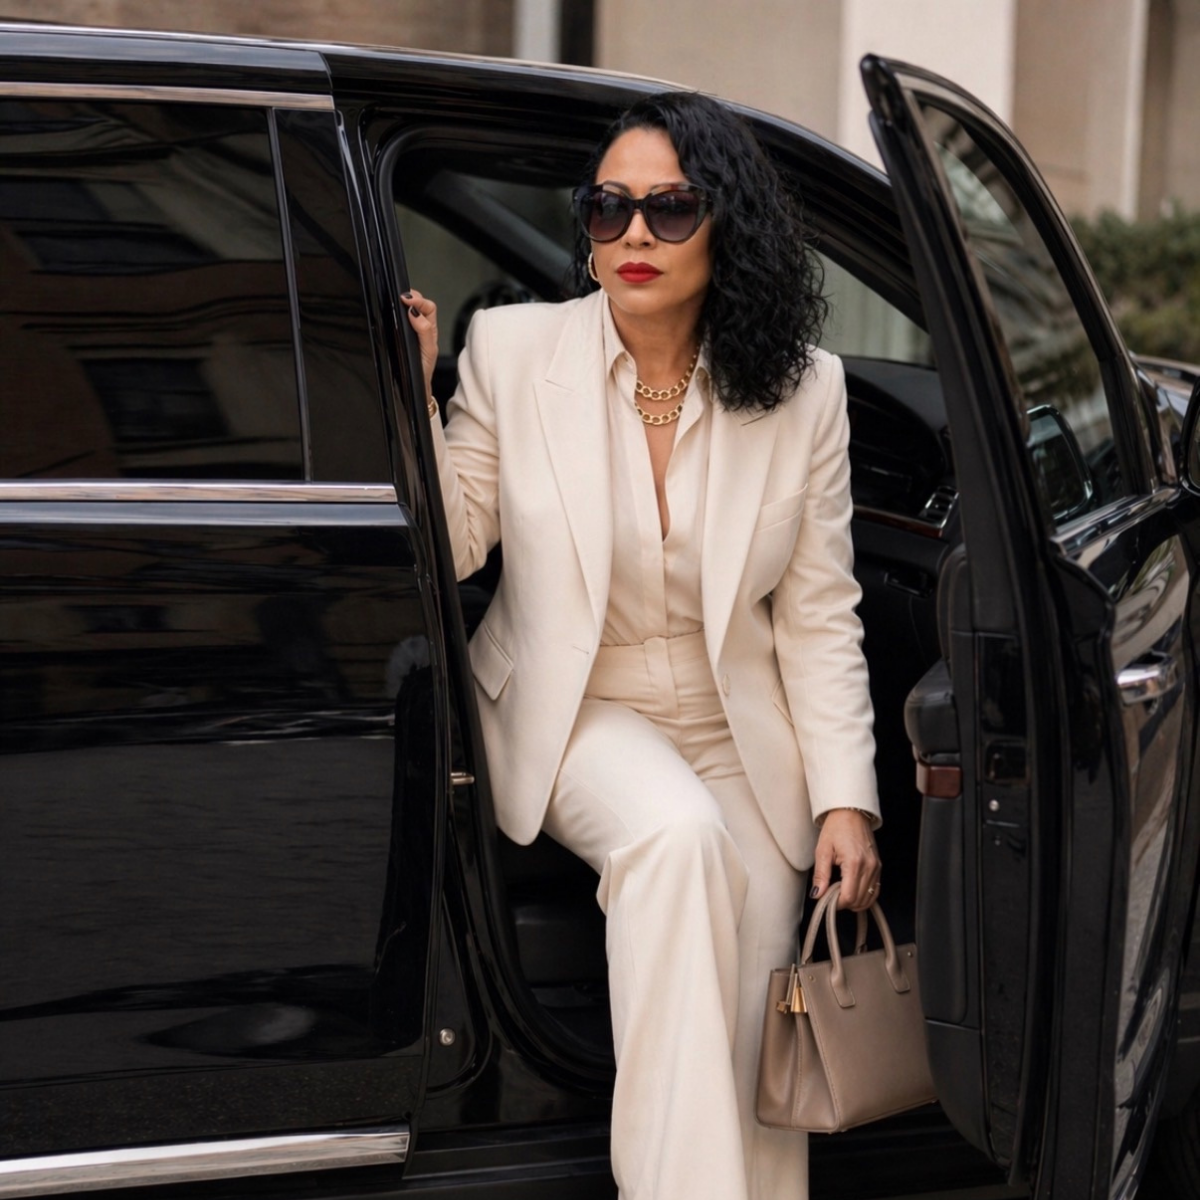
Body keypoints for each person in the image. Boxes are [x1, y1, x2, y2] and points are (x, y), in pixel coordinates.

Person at [404, 90, 881, 1200]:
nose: (633, 235)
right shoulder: (513, 350)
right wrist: (416, 394)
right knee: (675, 841)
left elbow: (819, 612)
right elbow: (456, 545)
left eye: (670, 210)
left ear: (726, 228)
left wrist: (844, 800)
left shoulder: (805, 391)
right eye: (607, 207)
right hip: (577, 708)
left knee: (755, 1017)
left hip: (735, 725)